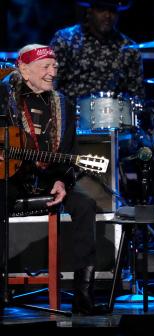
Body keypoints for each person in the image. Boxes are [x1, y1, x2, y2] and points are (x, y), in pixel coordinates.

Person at [0, 44, 108, 315]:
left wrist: (61, 181)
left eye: (55, 66)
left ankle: (84, 296)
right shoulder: (5, 98)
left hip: (48, 179)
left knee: (85, 205)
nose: (52, 72)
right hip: (10, 178)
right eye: (45, 67)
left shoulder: (63, 104)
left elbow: (69, 153)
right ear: (24, 70)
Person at [50, 0, 145, 103]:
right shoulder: (66, 39)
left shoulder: (129, 48)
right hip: (70, 113)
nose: (108, 15)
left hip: (114, 114)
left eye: (112, 11)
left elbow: (136, 94)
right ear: (90, 11)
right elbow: (50, 82)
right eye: (102, 9)